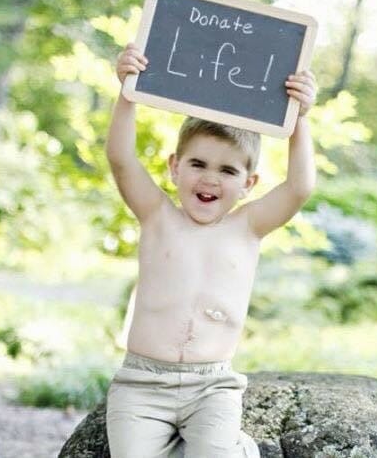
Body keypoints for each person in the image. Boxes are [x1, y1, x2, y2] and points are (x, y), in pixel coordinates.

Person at [105, 43, 317, 458]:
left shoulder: (249, 227)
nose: (211, 179)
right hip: (142, 384)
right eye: (198, 164)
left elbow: (299, 187)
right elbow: (121, 158)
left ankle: (236, 449)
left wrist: (300, 121)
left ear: (249, 184)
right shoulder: (156, 215)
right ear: (174, 166)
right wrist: (126, 91)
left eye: (228, 170)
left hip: (211, 386)